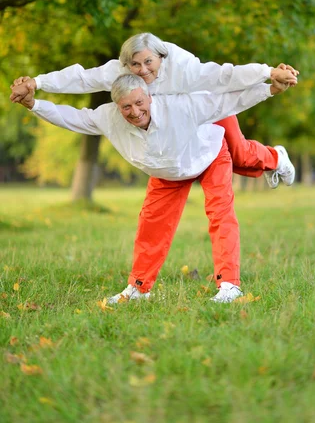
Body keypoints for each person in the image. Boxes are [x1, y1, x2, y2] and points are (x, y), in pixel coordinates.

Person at [15, 73, 291, 303]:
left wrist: (269, 85)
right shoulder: (109, 117)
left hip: (207, 152)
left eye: (138, 103)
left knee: (221, 212)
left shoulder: (178, 104)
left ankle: (230, 285)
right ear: (116, 108)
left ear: (149, 97)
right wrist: (33, 104)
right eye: (126, 107)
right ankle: (138, 288)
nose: (134, 112)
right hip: (167, 170)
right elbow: (71, 117)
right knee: (151, 224)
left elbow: (229, 98)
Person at [10, 33, 299, 188]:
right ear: (125, 65)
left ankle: (276, 157)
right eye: (135, 65)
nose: (142, 70)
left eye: (149, 63)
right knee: (215, 164)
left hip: (206, 107)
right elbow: (82, 78)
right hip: (174, 127)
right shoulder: (118, 72)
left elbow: (225, 76)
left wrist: (267, 73)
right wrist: (37, 83)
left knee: (239, 153)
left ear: (161, 57)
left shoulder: (184, 68)